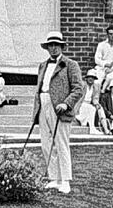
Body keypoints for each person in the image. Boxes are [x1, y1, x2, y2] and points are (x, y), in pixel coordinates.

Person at [33, 31, 86, 194]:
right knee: (46, 143)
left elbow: (79, 88)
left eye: (57, 45)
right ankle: (54, 178)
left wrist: (66, 103)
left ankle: (65, 180)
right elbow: (40, 87)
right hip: (43, 103)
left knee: (61, 143)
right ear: (47, 47)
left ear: (62, 47)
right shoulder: (42, 65)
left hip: (60, 107)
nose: (53, 48)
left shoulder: (70, 64)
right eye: (51, 45)